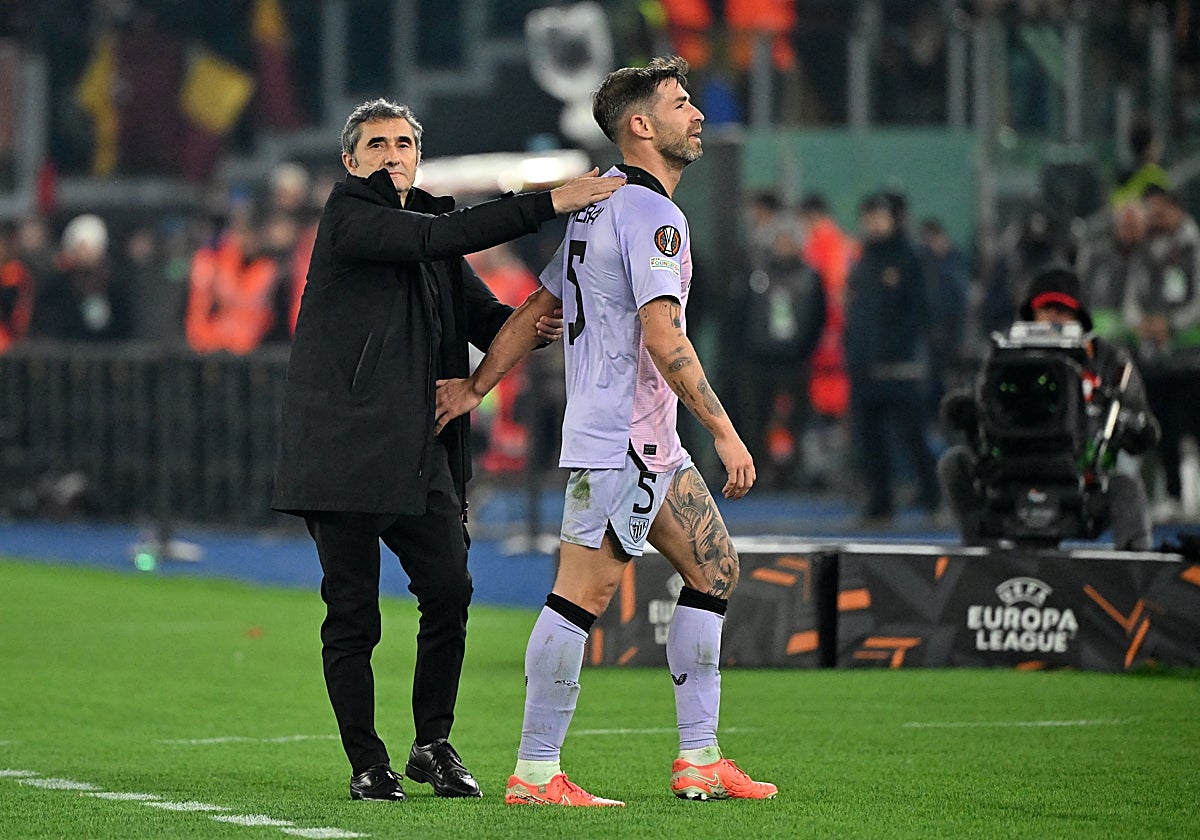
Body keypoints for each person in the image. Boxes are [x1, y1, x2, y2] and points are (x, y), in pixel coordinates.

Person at [435, 56, 777, 807]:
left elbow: (537, 309)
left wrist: (475, 386)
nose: (697, 115)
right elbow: (664, 334)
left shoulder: (599, 207)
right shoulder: (655, 215)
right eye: (682, 104)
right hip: (627, 441)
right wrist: (725, 430)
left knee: (715, 568)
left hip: (643, 440)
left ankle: (699, 758)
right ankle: (533, 771)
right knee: (579, 598)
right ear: (641, 125)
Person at [270, 97, 624, 803]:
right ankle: (368, 763)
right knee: (353, 616)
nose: (392, 155)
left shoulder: (426, 227)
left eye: (403, 143)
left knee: (450, 589)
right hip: (344, 453)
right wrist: (551, 200)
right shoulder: (350, 217)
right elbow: (443, 239)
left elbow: (486, 314)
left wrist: (541, 318)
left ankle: (431, 742)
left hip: (416, 446)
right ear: (350, 161)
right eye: (376, 144)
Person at [939, 266, 1160, 550]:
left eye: (1062, 311)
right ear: (1031, 313)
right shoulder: (1004, 355)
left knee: (1124, 485)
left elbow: (1145, 426)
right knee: (954, 464)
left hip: (1082, 484)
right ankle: (980, 553)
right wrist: (965, 411)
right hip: (1006, 477)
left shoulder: (1109, 361)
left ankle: (1138, 566)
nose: (1053, 319)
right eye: (1046, 309)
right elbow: (980, 402)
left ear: (1080, 317)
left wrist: (1130, 425)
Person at [842, 192, 940, 523]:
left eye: (879, 217)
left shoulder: (909, 257)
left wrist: (898, 347)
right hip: (866, 367)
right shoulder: (864, 259)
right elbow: (856, 311)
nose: (873, 224)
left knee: (913, 436)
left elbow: (919, 310)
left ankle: (933, 500)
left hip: (901, 368)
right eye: (869, 217)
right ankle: (880, 504)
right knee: (871, 441)